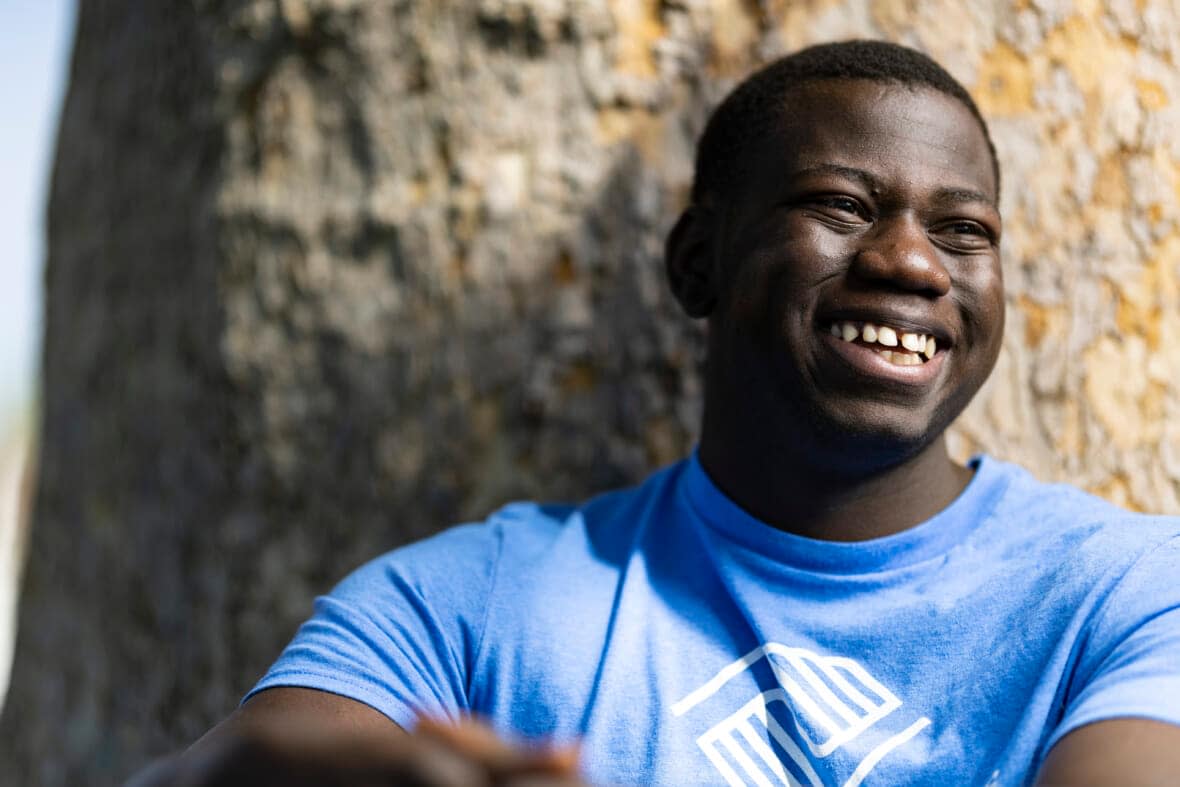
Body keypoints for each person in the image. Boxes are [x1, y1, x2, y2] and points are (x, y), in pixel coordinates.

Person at [137, 40, 1180, 786]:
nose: (909, 260)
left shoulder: (1130, 592)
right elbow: (237, 763)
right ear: (698, 263)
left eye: (962, 230)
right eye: (841, 206)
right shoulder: (467, 608)